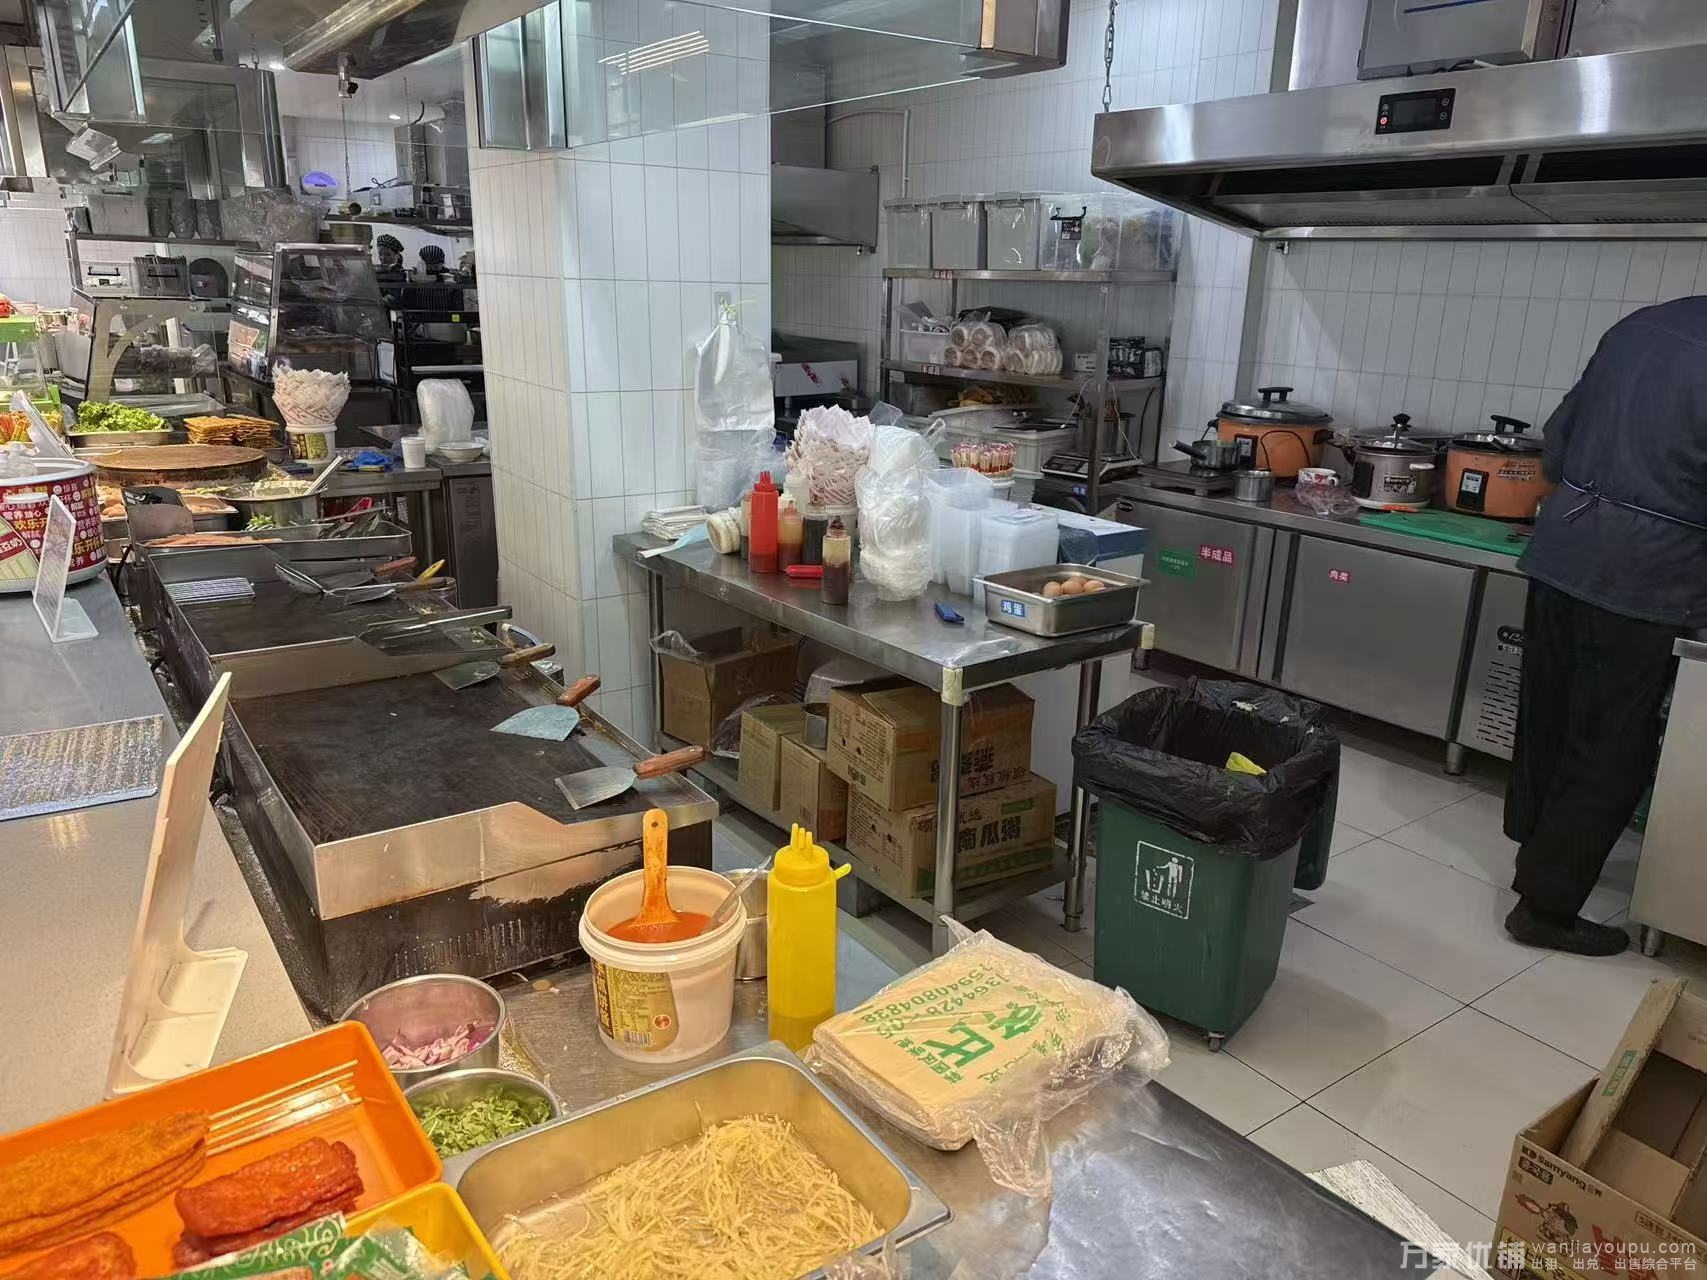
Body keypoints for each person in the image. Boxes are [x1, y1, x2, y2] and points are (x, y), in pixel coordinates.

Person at [1504, 296, 1707, 955]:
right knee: (1612, 747)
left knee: (1550, 717)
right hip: (1646, 577)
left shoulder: (1641, 325)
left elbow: (1558, 443)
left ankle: (1535, 857)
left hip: (1563, 551)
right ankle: (1544, 908)